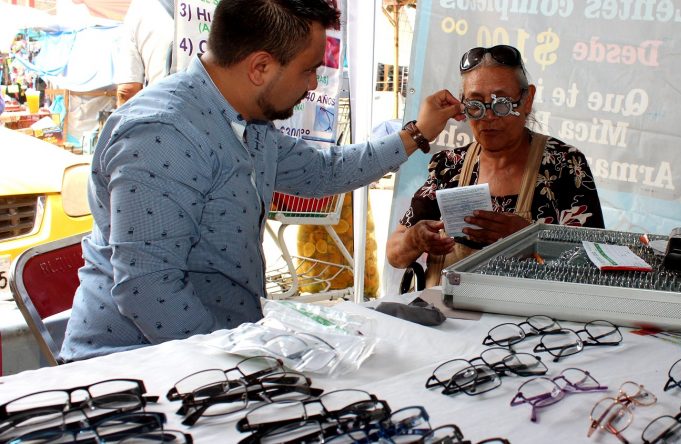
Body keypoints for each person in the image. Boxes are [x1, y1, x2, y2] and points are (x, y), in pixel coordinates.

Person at [60, 0, 463, 361]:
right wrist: (236, 371)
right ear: (260, 67)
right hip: (139, 365)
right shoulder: (162, 135)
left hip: (223, 345)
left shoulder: (246, 123)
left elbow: (325, 170)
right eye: (309, 70)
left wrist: (417, 133)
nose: (311, 85)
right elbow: (150, 292)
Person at [386, 45, 605, 287]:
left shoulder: (563, 164)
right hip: (447, 318)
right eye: (476, 105)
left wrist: (529, 238)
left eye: (502, 104)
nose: (489, 117)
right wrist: (416, 240)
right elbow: (395, 255)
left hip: (529, 322)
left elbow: (595, 258)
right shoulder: (449, 166)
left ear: (527, 100)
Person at [114, 0, 175, 106]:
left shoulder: (140, 7)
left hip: (162, 109)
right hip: (210, 109)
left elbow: (128, 90)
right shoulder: (210, 4)